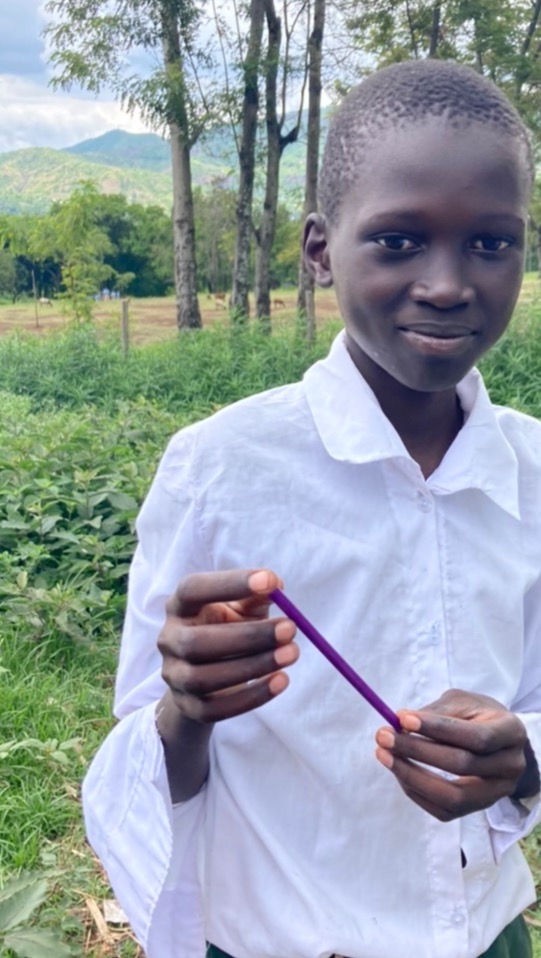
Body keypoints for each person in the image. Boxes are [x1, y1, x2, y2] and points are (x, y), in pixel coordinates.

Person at [83, 59, 541, 958]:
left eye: (491, 244)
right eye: (398, 241)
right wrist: (185, 706)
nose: (447, 284)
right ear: (320, 250)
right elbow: (142, 761)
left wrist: (521, 758)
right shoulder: (217, 469)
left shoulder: (534, 471)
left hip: (484, 938)